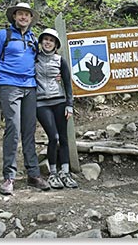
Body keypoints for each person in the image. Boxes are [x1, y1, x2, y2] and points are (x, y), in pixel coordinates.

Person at [0, 2, 50, 195]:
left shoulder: (32, 39)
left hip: (30, 87)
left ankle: (33, 174)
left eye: (27, 15)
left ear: (31, 19)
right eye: (20, 14)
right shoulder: (3, 35)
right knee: (13, 128)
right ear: (14, 16)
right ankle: (9, 177)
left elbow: (41, 62)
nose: (23, 17)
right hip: (9, 86)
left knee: (29, 130)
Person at [35, 28, 78, 189]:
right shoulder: (34, 58)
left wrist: (69, 104)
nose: (47, 42)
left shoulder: (60, 60)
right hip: (41, 103)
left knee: (64, 138)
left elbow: (68, 84)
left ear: (56, 44)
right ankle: (53, 173)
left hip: (59, 101)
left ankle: (65, 173)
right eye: (45, 39)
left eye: (51, 40)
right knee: (53, 137)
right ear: (41, 42)